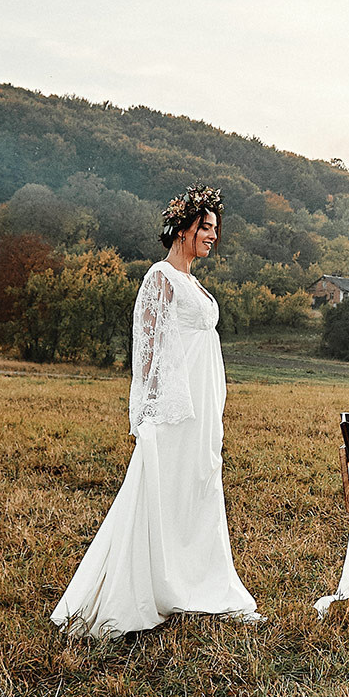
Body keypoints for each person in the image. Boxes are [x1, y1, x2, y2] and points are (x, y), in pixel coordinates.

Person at [52, 185, 259, 638]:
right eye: (206, 229)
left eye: (215, 231)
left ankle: (196, 581)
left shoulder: (194, 283)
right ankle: (146, 589)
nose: (212, 238)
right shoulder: (159, 278)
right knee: (161, 495)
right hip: (173, 413)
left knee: (197, 492)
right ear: (183, 229)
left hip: (203, 414)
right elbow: (145, 353)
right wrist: (145, 414)